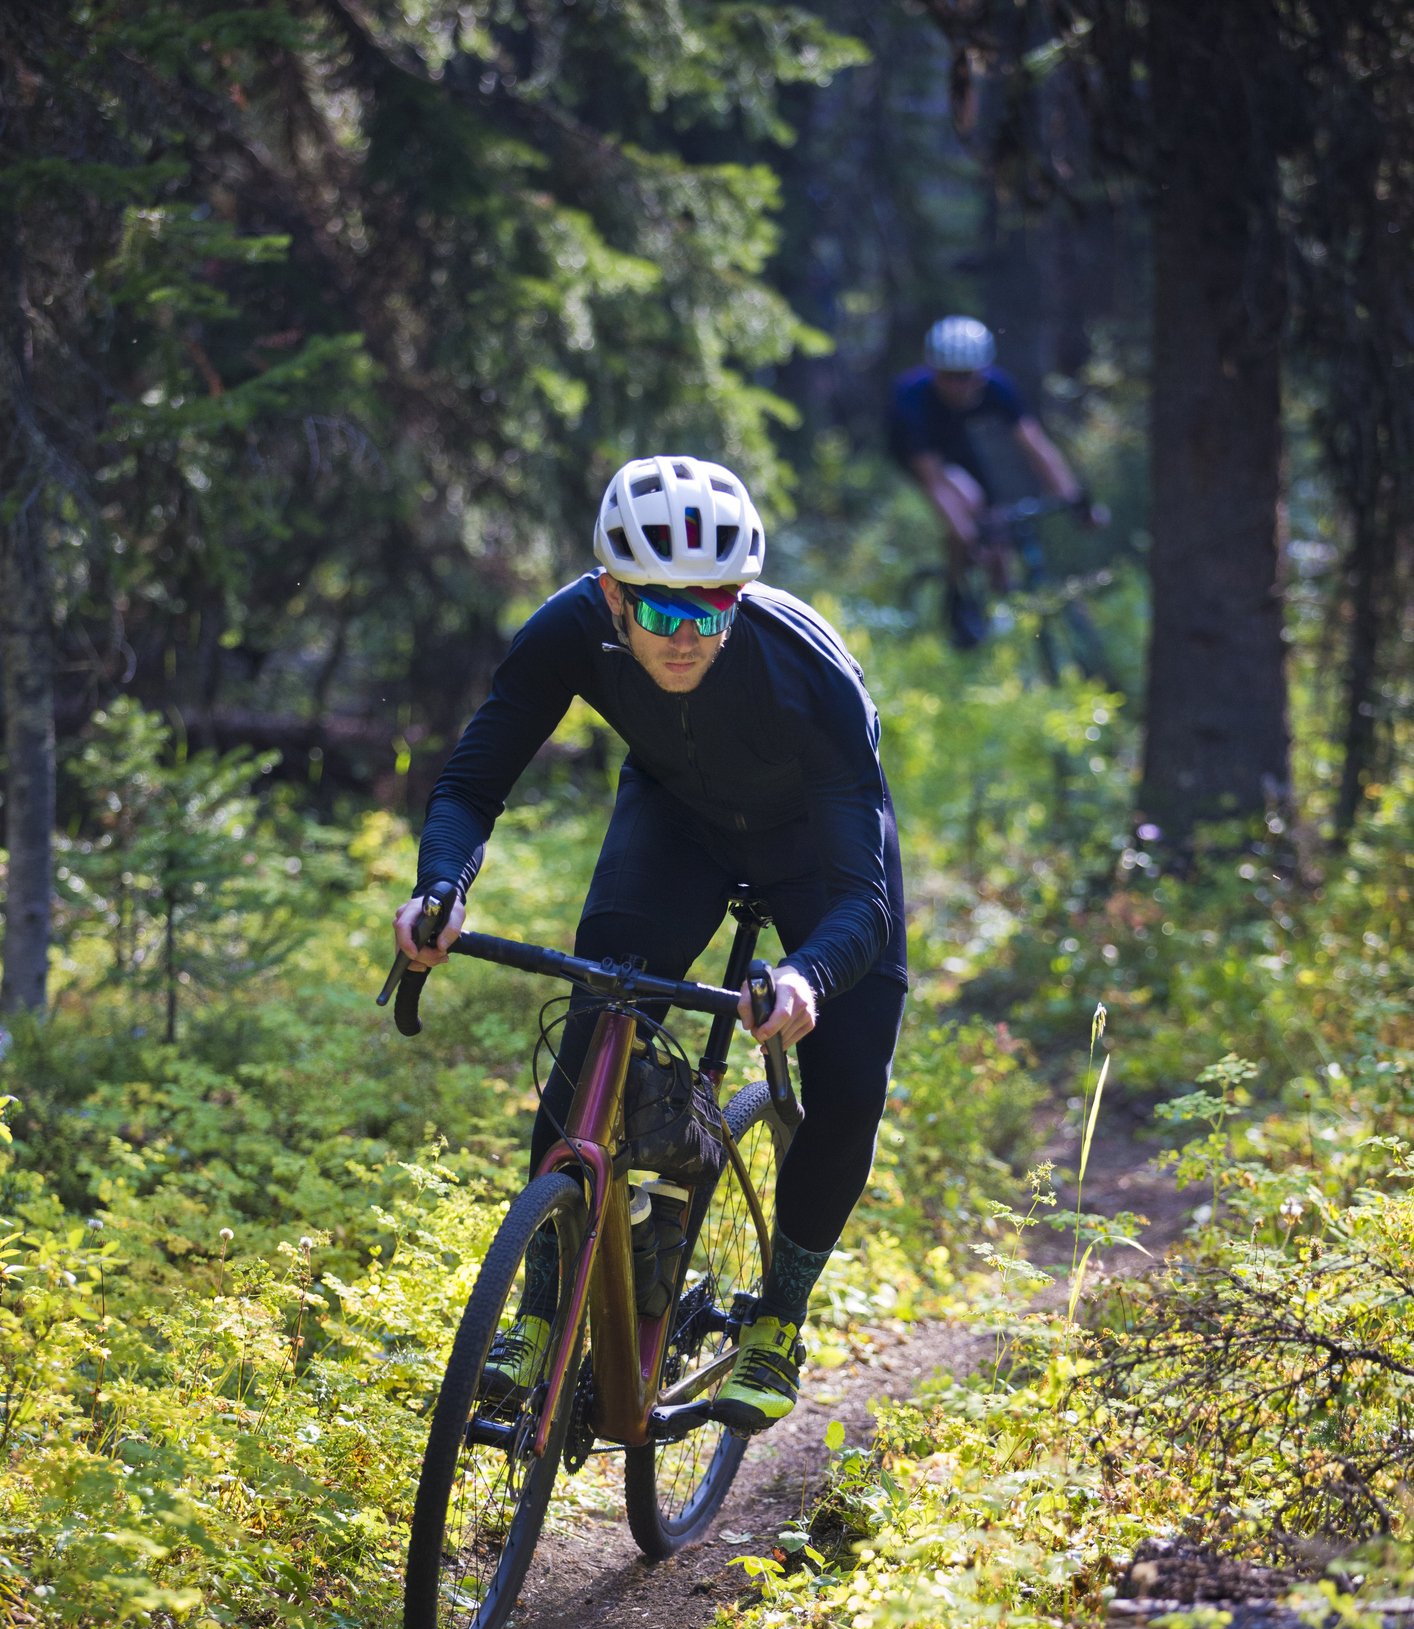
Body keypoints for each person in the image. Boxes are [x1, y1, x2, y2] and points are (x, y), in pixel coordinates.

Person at [393, 454, 907, 1435]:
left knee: (847, 1084)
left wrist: (804, 975)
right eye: (662, 613)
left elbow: (861, 902)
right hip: (678, 819)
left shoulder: (809, 676)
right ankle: (540, 1315)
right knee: (597, 1022)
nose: (686, 637)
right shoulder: (568, 630)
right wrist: (441, 889)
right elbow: (471, 785)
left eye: (711, 610)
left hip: (818, 854)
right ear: (610, 595)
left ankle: (777, 1323)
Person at [888, 314, 1094, 649]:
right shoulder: (911, 397)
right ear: (934, 371)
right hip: (921, 455)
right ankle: (957, 596)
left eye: (966, 377)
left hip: (960, 447)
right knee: (965, 523)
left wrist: (1074, 500)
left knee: (996, 526)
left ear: (982, 372)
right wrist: (963, 532)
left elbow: (1037, 448)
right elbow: (935, 480)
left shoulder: (998, 386)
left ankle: (1000, 614)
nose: (958, 387)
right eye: (948, 377)